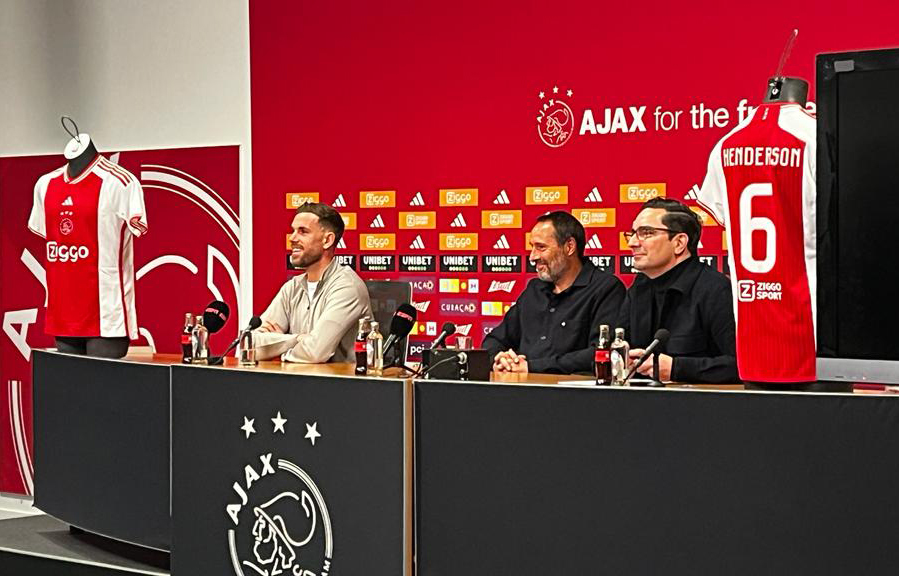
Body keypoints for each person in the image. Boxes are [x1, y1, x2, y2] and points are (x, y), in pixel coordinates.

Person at [483, 211, 625, 374]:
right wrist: (499, 360)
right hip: (520, 391)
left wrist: (531, 367)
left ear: (569, 247)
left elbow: (600, 354)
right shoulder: (534, 290)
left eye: (541, 247)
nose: (532, 257)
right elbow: (495, 339)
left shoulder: (606, 289)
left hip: (572, 395)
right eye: (532, 247)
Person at [619, 197, 737, 383]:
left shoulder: (715, 290)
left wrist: (677, 368)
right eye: (633, 233)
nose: (632, 242)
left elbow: (739, 366)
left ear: (679, 243)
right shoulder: (639, 288)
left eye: (646, 233)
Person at [257, 202, 371, 363]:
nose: (292, 238)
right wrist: (297, 339)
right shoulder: (292, 287)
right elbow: (249, 345)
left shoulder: (347, 287)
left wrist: (276, 348)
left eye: (303, 232)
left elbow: (314, 352)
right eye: (293, 231)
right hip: (296, 382)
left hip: (342, 386)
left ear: (327, 240)